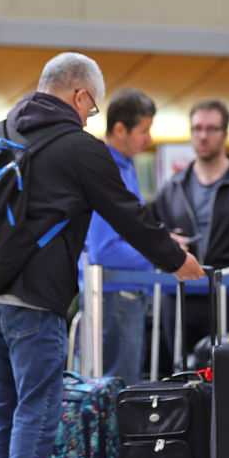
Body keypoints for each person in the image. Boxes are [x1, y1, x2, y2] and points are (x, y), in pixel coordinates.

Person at [0, 52, 203, 458]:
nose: (92, 116)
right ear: (80, 95)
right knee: (37, 412)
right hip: (31, 299)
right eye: (92, 107)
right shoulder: (78, 148)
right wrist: (176, 262)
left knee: (4, 414)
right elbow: (127, 214)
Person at [152, 99, 229, 361]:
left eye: (211, 129)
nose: (203, 136)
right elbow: (155, 235)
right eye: (197, 128)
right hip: (181, 296)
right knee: (182, 375)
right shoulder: (173, 188)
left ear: (224, 134)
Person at [79, 88, 157, 385]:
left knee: (123, 384)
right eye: (143, 131)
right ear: (120, 129)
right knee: (117, 388)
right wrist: (157, 252)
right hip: (113, 296)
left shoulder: (126, 166)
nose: (148, 139)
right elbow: (103, 249)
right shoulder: (107, 169)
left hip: (121, 295)